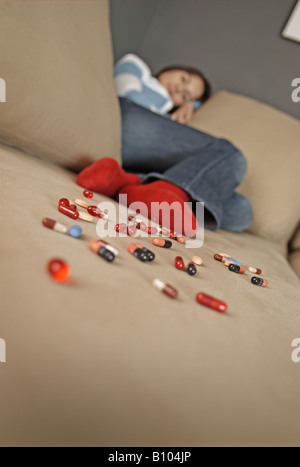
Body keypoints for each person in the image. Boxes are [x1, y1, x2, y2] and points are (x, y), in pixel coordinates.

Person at [77, 54, 252, 235]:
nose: (177, 89)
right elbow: (125, 91)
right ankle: (164, 192)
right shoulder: (137, 66)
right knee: (230, 155)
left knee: (241, 211)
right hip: (127, 120)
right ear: (174, 68)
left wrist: (189, 105)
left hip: (139, 156)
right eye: (183, 79)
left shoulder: (170, 112)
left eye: (185, 95)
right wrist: (182, 104)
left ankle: (130, 183)